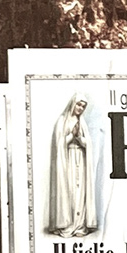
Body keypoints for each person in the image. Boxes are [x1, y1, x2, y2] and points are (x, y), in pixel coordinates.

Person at [46, 94, 96, 235]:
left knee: (80, 192)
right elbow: (59, 144)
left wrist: (79, 138)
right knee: (69, 191)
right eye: (79, 105)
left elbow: (88, 144)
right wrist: (71, 136)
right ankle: (67, 224)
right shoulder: (62, 121)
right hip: (67, 161)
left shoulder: (82, 122)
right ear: (73, 104)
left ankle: (79, 225)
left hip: (80, 159)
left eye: (83, 106)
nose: (80, 108)